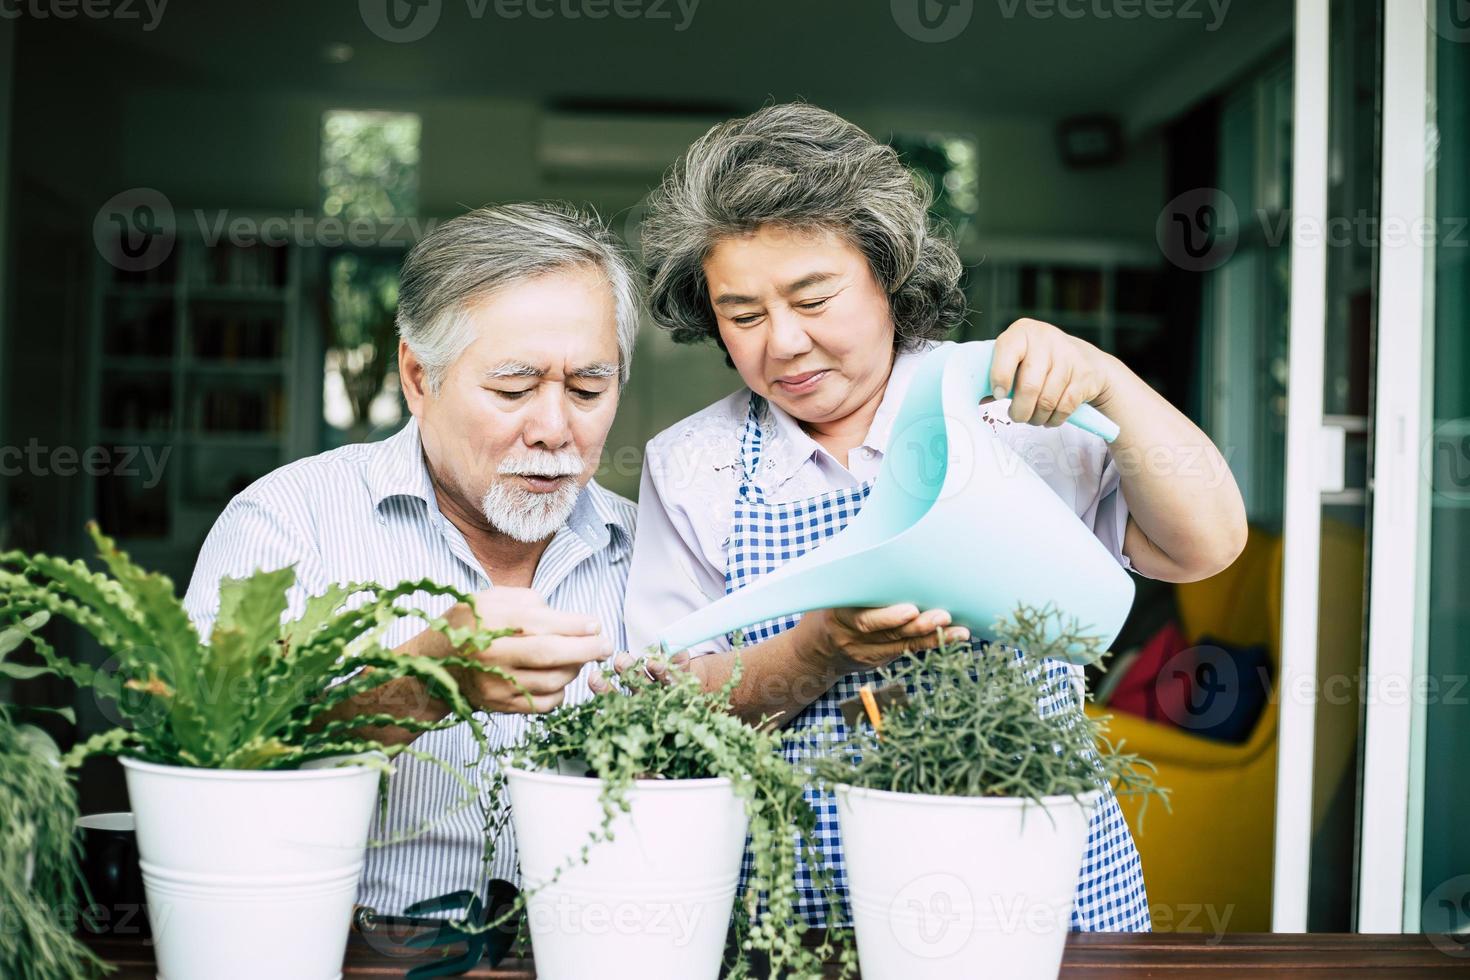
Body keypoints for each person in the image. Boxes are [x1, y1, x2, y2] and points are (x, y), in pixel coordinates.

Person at [624, 102, 1248, 931]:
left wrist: (1109, 382)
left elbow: (1205, 545)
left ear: (886, 276)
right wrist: (817, 651)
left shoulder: (1005, 403)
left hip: (1038, 895)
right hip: (810, 915)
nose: (782, 344)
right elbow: (666, 710)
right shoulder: (689, 465)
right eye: (743, 315)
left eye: (814, 299)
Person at [184, 202, 643, 914]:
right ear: (418, 377)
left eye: (588, 389)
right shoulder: (286, 525)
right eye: (513, 389)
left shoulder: (652, 550)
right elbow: (202, 763)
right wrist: (429, 680)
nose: (554, 428)